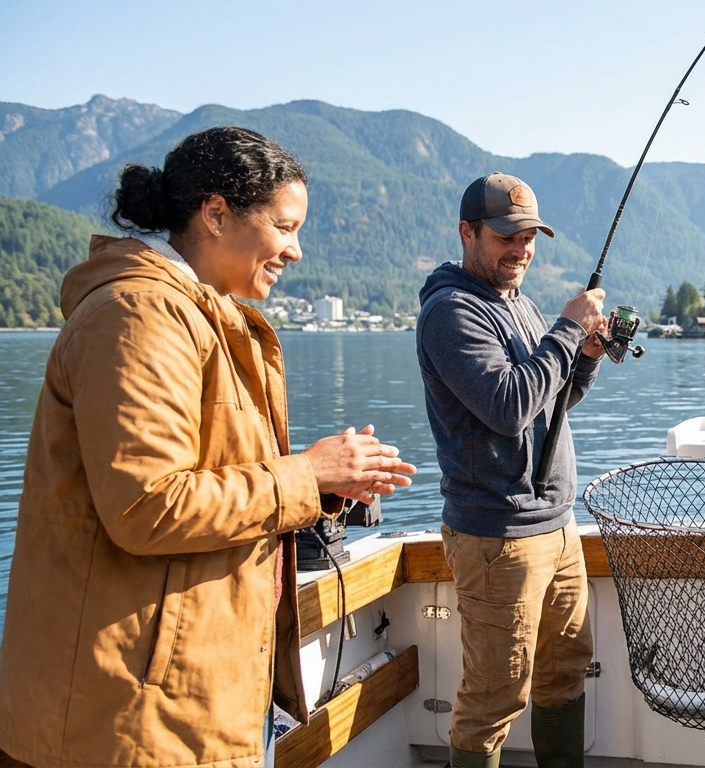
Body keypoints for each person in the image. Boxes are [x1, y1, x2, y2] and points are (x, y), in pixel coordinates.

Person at [0, 126, 417, 768]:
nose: (296, 251)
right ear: (216, 212)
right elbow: (147, 504)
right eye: (284, 227)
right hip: (129, 724)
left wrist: (325, 483)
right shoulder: (138, 315)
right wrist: (305, 474)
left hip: (192, 700)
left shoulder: (202, 317)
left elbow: (217, 476)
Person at [416, 172, 607, 768]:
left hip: (556, 526)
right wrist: (570, 329)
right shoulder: (451, 312)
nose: (520, 249)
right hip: (497, 536)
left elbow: (545, 403)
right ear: (467, 233)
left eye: (529, 236)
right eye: (506, 236)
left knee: (564, 671)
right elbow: (506, 407)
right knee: (495, 696)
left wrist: (584, 361)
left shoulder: (519, 304)